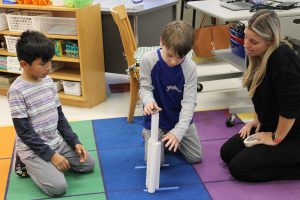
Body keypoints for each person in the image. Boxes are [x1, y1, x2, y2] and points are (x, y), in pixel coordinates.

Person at [8, 30, 95, 196]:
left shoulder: (48, 82)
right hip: (33, 149)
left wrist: (74, 141)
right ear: (24, 64)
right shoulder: (17, 91)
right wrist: (51, 156)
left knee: (88, 165)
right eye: (42, 64)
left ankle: (48, 163)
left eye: (50, 62)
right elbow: (24, 132)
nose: (49, 67)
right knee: (58, 188)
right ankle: (24, 162)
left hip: (56, 141)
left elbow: (60, 117)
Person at [220, 10, 300, 182]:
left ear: (270, 41)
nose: (246, 44)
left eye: (253, 41)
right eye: (246, 37)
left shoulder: (282, 58)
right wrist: (256, 121)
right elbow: (260, 94)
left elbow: (291, 108)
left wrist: (274, 138)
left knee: (239, 168)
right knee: (227, 153)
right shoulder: (255, 53)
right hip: (272, 125)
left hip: (293, 135)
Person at [139, 21, 202, 165]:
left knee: (195, 157)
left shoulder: (190, 67)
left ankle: (171, 137)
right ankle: (148, 134)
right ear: (161, 41)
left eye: (179, 57)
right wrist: (148, 101)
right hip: (156, 120)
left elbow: (189, 103)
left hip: (178, 118)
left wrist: (178, 131)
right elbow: (144, 88)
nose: (174, 61)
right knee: (156, 164)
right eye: (169, 55)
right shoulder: (148, 60)